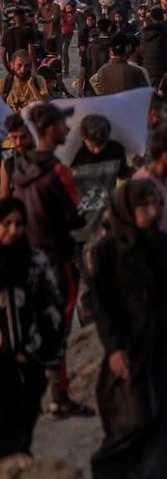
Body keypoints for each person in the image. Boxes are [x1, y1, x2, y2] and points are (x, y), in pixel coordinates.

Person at [89, 177, 167, 479]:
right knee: (133, 415)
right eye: (144, 206)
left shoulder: (158, 242)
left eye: (155, 204)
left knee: (164, 411)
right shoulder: (106, 251)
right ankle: (110, 472)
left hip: (160, 339)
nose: (152, 212)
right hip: (129, 343)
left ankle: (152, 477)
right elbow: (102, 305)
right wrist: (114, 347)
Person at [11, 101, 90, 417]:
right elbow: (75, 217)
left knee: (33, 323)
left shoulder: (21, 168)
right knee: (59, 325)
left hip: (29, 257)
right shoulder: (58, 172)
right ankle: (58, 394)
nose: (67, 129)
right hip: (57, 258)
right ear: (48, 130)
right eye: (61, 125)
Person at [0, 195, 65, 457]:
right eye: (6, 224)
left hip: (28, 364)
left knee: (21, 430)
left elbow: (52, 310)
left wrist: (31, 351)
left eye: (19, 224)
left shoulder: (34, 263)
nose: (13, 230)